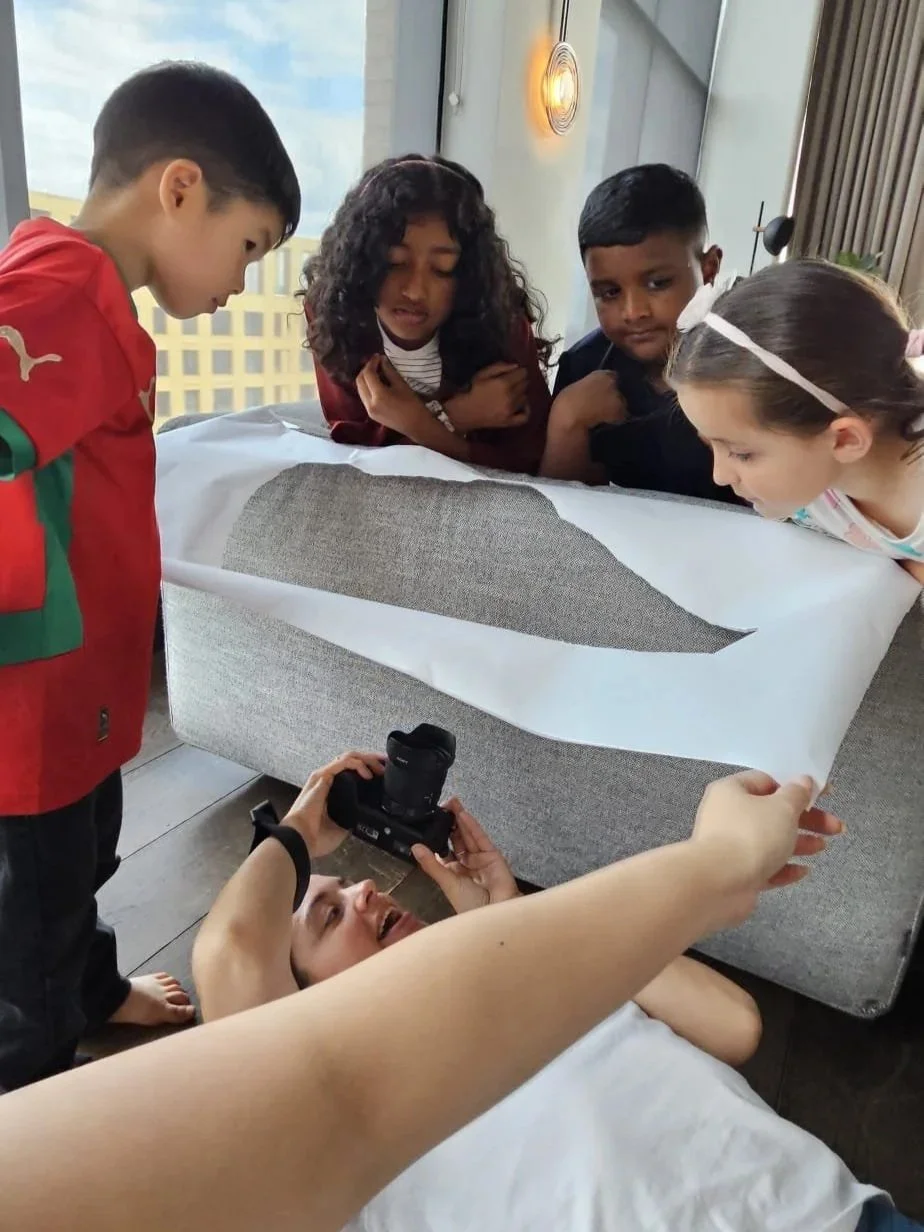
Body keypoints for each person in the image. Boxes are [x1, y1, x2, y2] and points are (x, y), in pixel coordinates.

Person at [0, 758, 870, 1232]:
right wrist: (304, 825)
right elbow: (231, 948)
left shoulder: (554, 979)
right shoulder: (343, 1100)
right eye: (328, 915)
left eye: (355, 889)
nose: (369, 895)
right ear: (301, 998)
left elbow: (735, 1023)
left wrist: (521, 919)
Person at [0, 61, 301, 1092]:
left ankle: (83, 995)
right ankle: (39, 1115)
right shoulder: (65, 289)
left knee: (75, 870)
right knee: (28, 928)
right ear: (180, 188)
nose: (242, 281)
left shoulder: (91, 300)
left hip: (75, 693)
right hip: (27, 714)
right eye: (249, 245)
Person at [669, 260, 924, 585]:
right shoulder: (807, 487)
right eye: (711, 446)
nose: (719, 476)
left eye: (742, 454)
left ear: (845, 440)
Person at [300, 155, 555, 474]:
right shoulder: (332, 312)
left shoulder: (502, 323)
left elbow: (533, 464)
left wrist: (421, 427)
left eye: (442, 269)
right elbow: (355, 455)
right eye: (395, 263)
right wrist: (455, 416)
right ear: (361, 262)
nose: (415, 291)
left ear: (469, 275)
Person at [540, 163, 742, 505]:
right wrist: (567, 423)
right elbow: (556, 515)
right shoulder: (584, 367)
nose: (633, 312)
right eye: (609, 293)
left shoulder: (744, 370)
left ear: (709, 269)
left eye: (657, 283)